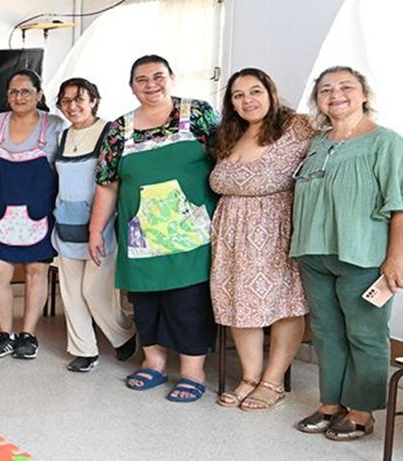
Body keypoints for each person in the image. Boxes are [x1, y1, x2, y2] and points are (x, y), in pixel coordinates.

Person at [90, 55, 221, 402]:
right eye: (142, 79)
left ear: (172, 78)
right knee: (146, 301)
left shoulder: (198, 113)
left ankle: (193, 371)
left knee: (188, 302)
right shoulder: (118, 129)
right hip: (141, 233)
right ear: (131, 87)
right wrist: (95, 230)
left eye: (158, 76)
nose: (151, 85)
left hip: (191, 232)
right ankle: (154, 362)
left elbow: (226, 161)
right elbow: (107, 184)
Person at [290, 66, 403, 440]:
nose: (335, 94)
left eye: (345, 87)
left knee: (365, 334)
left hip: (363, 254)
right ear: (318, 100)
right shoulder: (316, 143)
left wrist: (396, 257)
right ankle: (330, 404)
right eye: (325, 89)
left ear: (364, 94)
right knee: (325, 332)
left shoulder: (385, 142)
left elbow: (399, 204)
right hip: (313, 252)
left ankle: (361, 411)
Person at [210, 68, 312, 409]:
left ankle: (273, 382)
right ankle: (250, 377)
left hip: (275, 231)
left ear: (271, 92)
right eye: (238, 95)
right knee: (240, 304)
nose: (247, 100)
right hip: (230, 235)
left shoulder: (296, 127)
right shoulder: (229, 134)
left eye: (255, 91)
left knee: (284, 303)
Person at [0, 69, 65, 361]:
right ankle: (5, 335)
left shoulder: (54, 125)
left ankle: (28, 335)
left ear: (39, 94)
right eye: (13, 92)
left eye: (26, 91)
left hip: (39, 213)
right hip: (0, 212)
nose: (19, 97)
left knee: (35, 272)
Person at [53, 77, 137, 372]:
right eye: (65, 100)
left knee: (94, 290)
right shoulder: (62, 136)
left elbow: (116, 181)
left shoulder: (110, 132)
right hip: (66, 224)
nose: (72, 106)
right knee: (71, 292)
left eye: (79, 98)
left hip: (101, 226)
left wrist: (99, 227)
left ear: (94, 101)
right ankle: (84, 350)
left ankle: (123, 334)